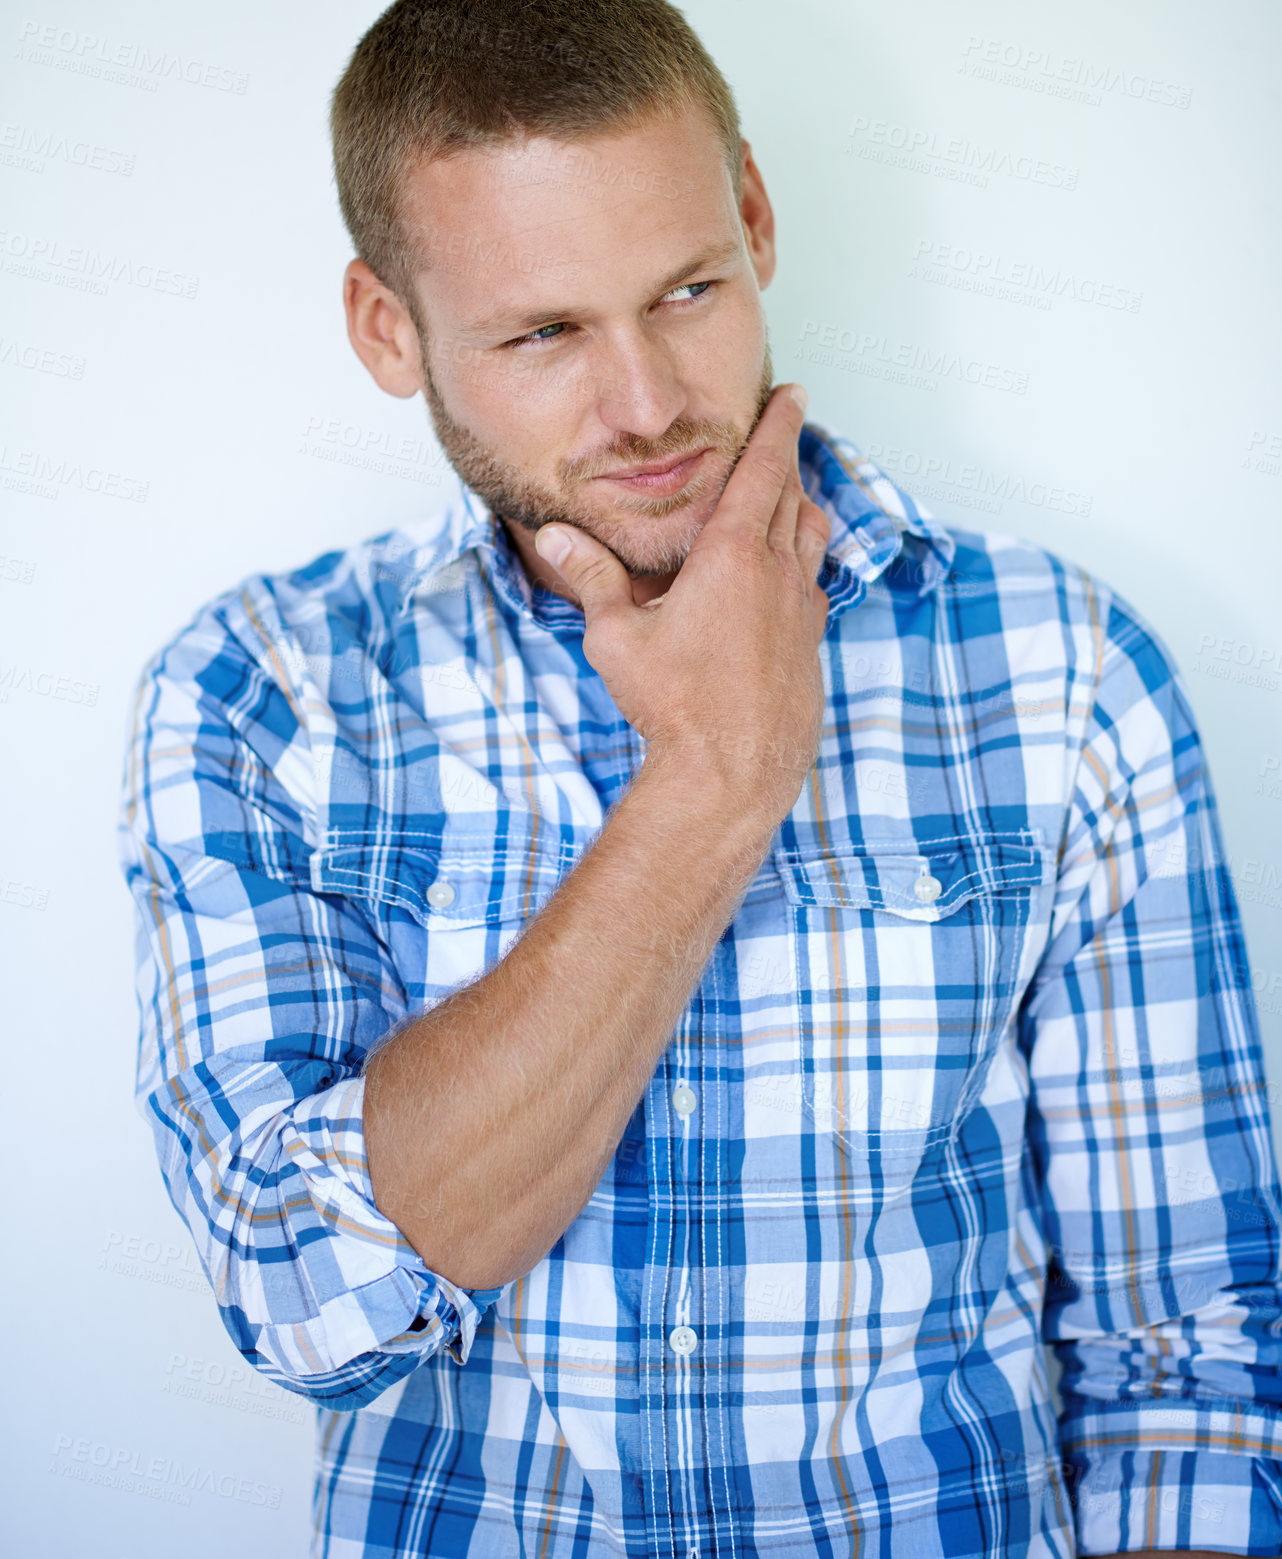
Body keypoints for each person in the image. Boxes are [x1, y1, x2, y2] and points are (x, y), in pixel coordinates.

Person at [115, 2, 1282, 1556]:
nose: (650, 403)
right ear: (386, 327)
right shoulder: (260, 693)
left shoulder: (1060, 666)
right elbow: (310, 1305)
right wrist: (713, 784)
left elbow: (1188, 1344)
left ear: (752, 216)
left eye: (683, 290)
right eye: (543, 334)